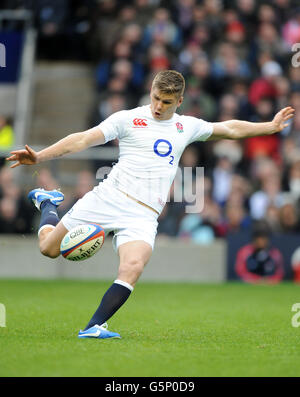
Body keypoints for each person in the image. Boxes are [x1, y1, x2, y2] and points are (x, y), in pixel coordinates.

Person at [6, 70, 295, 339]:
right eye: (156, 98)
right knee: (48, 249)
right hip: (108, 198)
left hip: (143, 215)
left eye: (166, 102)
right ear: (151, 91)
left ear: (179, 101)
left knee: (132, 266)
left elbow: (229, 128)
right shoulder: (128, 119)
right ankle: (48, 203)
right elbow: (82, 139)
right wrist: (40, 156)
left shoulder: (186, 126)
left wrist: (268, 126)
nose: (158, 106)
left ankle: (93, 326)